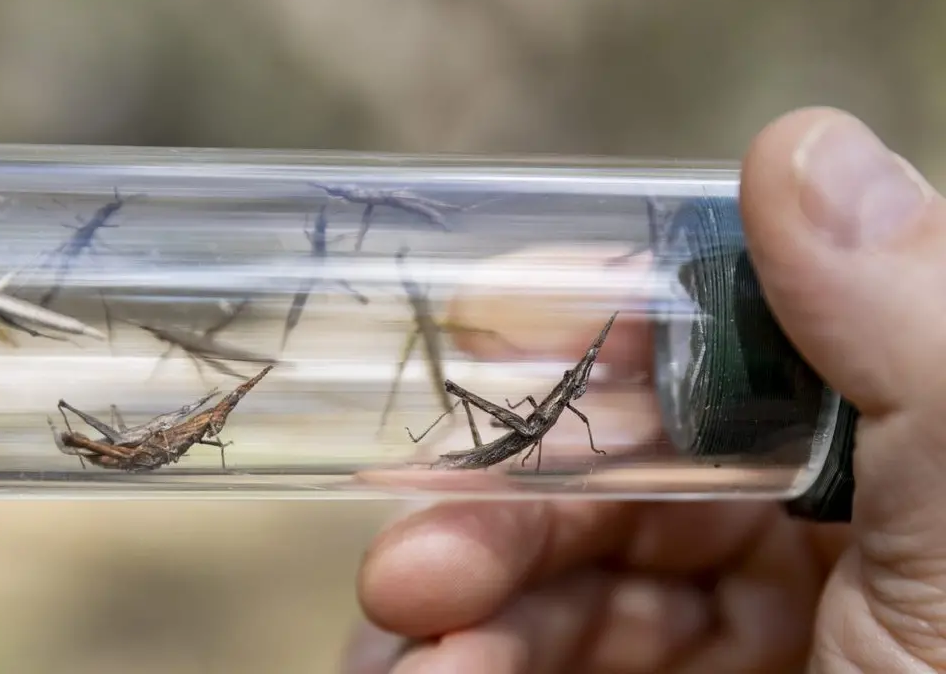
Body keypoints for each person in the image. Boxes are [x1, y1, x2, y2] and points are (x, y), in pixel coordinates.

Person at [340, 107, 946, 672]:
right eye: (584, 369)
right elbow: (558, 422)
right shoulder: (566, 407)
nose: (587, 372)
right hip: (519, 434)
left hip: (540, 436)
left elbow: (566, 418)